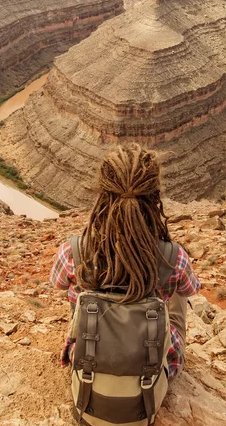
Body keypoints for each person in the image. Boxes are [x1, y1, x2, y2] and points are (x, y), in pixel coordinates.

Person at [50, 144, 200, 381]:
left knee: (76, 291)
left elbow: (57, 283)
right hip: (154, 373)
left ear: (102, 195)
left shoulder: (74, 251)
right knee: (179, 296)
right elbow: (191, 289)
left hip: (88, 369)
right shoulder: (174, 257)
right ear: (153, 198)